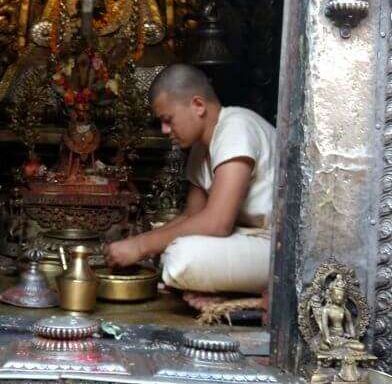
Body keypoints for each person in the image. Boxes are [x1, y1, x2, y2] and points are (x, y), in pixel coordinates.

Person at [104, 64, 276, 313]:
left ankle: (228, 291)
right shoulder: (199, 148)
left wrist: (142, 246)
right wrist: (141, 244)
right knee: (169, 252)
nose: (165, 130)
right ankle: (219, 289)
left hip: (277, 248)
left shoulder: (236, 126)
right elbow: (192, 217)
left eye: (167, 120)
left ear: (198, 105)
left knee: (180, 257)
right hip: (248, 240)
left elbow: (217, 223)